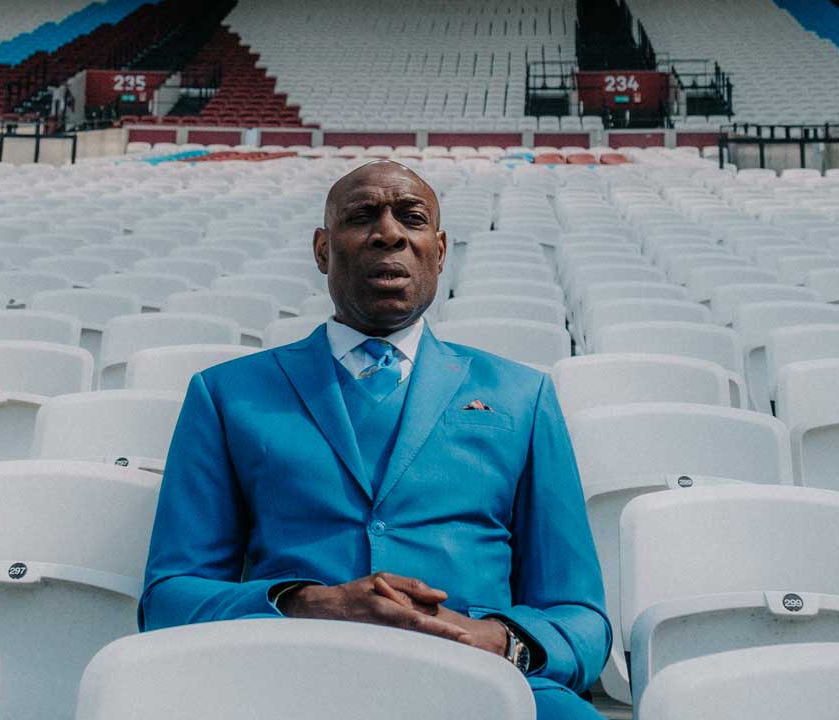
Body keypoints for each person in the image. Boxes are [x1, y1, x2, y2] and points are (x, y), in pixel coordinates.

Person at [140, 161, 611, 719]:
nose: (390, 233)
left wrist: (498, 639)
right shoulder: (227, 395)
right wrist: (307, 603)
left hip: (480, 681)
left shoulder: (521, 395)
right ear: (322, 249)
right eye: (363, 216)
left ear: (438, 251)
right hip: (286, 677)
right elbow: (169, 597)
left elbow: (579, 615)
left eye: (411, 218)